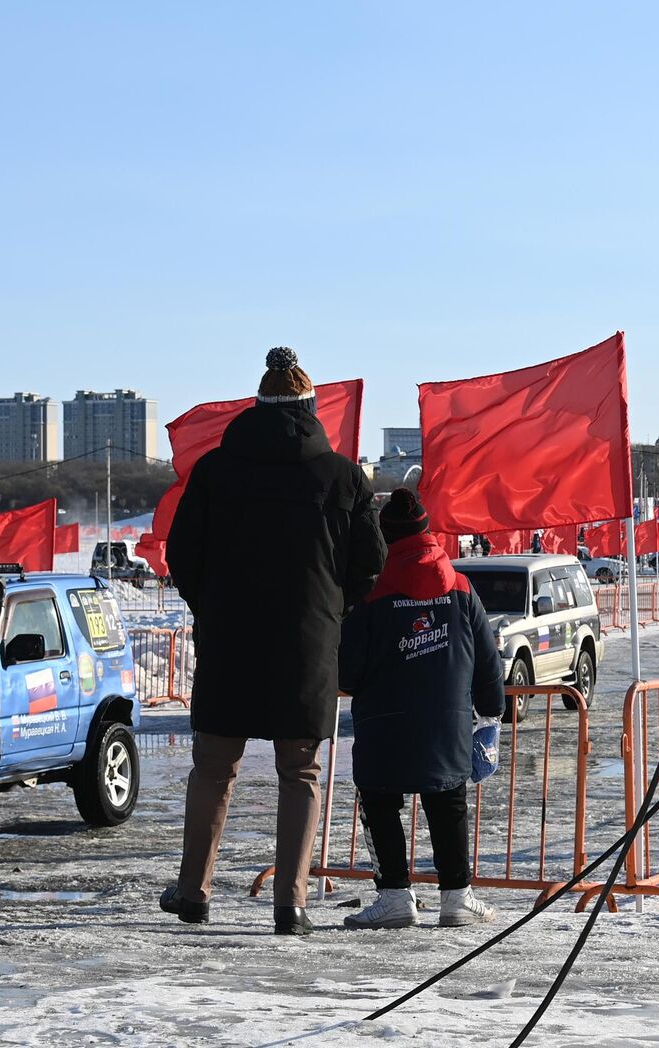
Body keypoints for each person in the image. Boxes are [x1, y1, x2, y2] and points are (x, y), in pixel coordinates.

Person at [160, 347, 386, 934]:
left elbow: (182, 555)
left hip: (230, 637)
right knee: (301, 771)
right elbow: (371, 561)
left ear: (254, 405)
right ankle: (292, 904)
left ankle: (194, 892)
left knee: (213, 766)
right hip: (309, 642)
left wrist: (209, 603)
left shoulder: (215, 470)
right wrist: (333, 607)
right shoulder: (340, 474)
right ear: (312, 408)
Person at [337, 488, 504, 929]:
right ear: (428, 533)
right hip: (446, 724)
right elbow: (488, 661)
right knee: (447, 801)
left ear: (384, 537)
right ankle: (457, 897)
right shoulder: (462, 590)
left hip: (383, 724)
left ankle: (394, 895)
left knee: (379, 802)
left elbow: (347, 673)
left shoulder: (371, 596)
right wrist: (491, 713)